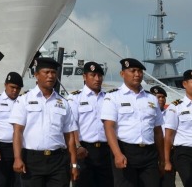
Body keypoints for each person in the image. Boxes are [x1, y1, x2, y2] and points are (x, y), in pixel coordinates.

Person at [10, 57, 79, 187]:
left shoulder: (63, 103)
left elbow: (69, 137)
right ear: (36, 75)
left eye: (53, 73)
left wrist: (74, 164)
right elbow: (17, 132)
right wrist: (17, 158)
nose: (50, 76)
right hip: (32, 160)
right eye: (46, 72)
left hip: (57, 160)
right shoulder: (24, 100)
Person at [100, 58, 164, 187]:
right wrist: (117, 154)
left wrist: (162, 158)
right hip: (126, 151)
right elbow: (109, 128)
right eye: (133, 71)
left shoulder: (151, 98)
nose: (137, 74)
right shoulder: (113, 97)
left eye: (140, 71)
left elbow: (157, 131)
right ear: (122, 74)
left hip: (149, 153)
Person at [67, 61, 113, 187]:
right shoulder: (75, 98)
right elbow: (72, 125)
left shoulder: (109, 98)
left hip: (106, 150)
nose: (97, 79)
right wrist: (77, 146)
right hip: (85, 150)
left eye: (99, 75)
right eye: (93, 75)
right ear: (84, 77)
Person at [149, 86, 175, 187]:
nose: (161, 99)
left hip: (168, 152)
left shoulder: (171, 113)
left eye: (163, 97)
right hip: (152, 151)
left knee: (168, 182)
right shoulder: (147, 114)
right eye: (158, 97)